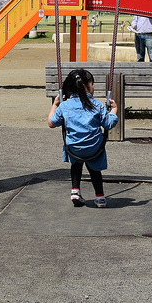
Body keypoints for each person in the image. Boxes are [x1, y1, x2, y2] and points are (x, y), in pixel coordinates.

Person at [48, 68, 119, 208]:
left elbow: (51, 123)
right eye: (92, 84)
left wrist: (55, 105)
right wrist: (114, 110)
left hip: (74, 149)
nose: (93, 87)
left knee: (76, 163)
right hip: (94, 149)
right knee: (94, 168)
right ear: (86, 86)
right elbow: (109, 124)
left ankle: (75, 191)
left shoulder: (65, 106)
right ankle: (100, 198)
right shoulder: (97, 105)